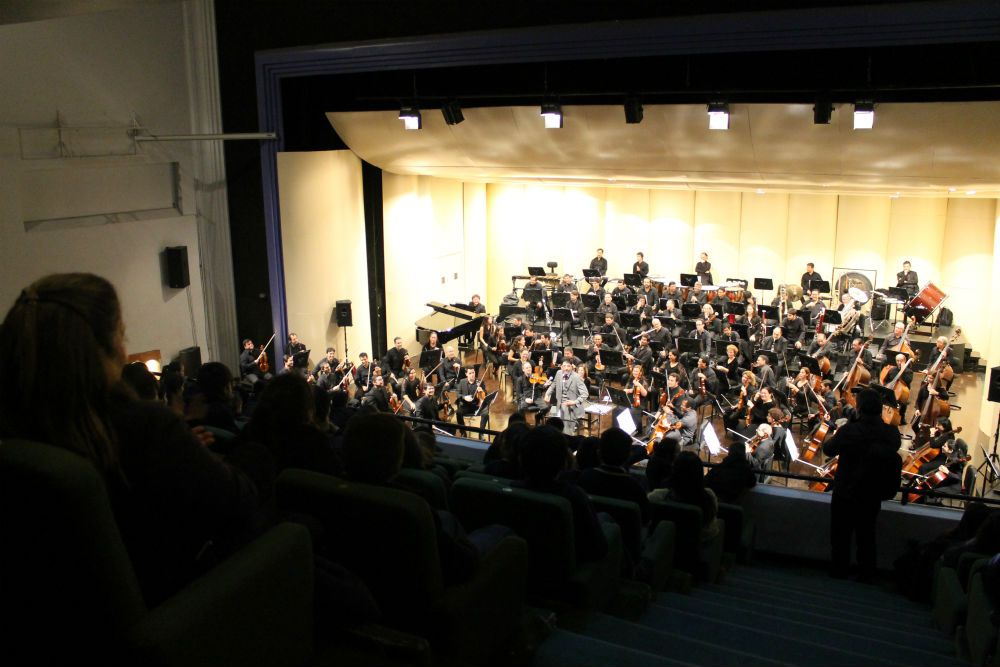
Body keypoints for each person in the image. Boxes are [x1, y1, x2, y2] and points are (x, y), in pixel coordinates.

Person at [0, 273, 268, 606]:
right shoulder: (143, 427)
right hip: (176, 604)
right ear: (104, 349)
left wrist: (182, 454)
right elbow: (238, 503)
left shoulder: (18, 433)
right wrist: (193, 455)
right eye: (121, 335)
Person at [822, 388, 902, 582]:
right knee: (867, 536)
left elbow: (829, 450)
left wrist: (843, 426)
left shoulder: (850, 430)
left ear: (859, 408)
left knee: (841, 536)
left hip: (845, 491)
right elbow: (894, 448)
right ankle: (867, 575)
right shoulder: (890, 432)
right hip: (872, 492)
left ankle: (839, 571)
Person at [513, 425, 609, 563]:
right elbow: (598, 548)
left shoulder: (512, 488)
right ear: (565, 462)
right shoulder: (575, 496)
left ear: (520, 459)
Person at [577, 428, 650, 523]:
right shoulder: (635, 487)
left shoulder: (584, 478)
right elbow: (645, 518)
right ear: (628, 457)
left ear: (599, 454)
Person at [544, 360, 589, 434]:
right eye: (564, 366)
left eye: (568, 366)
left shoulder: (576, 377)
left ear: (572, 367)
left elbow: (585, 393)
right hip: (558, 404)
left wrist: (574, 402)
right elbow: (553, 385)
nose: (566, 368)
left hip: (571, 408)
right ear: (561, 367)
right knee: (553, 426)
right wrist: (547, 394)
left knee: (567, 432)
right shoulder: (558, 373)